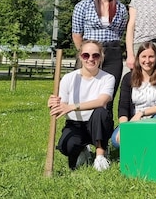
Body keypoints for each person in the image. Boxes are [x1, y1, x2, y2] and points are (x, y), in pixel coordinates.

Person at [47, 40, 115, 171]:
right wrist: (53, 103)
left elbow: (102, 101)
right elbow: (63, 105)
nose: (90, 59)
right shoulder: (68, 78)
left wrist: (73, 106)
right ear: (80, 56)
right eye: (86, 55)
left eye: (95, 55)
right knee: (65, 146)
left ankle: (100, 155)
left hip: (97, 124)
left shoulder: (108, 78)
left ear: (101, 57)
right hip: (75, 123)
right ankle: (83, 149)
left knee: (101, 111)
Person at [72, 0, 128, 113]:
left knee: (107, 96)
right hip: (90, 54)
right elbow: (77, 34)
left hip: (113, 54)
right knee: (86, 93)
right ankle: (83, 130)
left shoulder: (121, 8)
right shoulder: (83, 6)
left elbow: (120, 31)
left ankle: (102, 133)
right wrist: (85, 53)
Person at [112, 41, 156, 148]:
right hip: (133, 121)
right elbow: (123, 108)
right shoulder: (128, 78)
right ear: (138, 58)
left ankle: (147, 148)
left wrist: (140, 114)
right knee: (116, 141)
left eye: (151, 57)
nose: (147, 61)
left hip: (154, 118)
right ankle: (141, 145)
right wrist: (125, 128)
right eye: (143, 56)